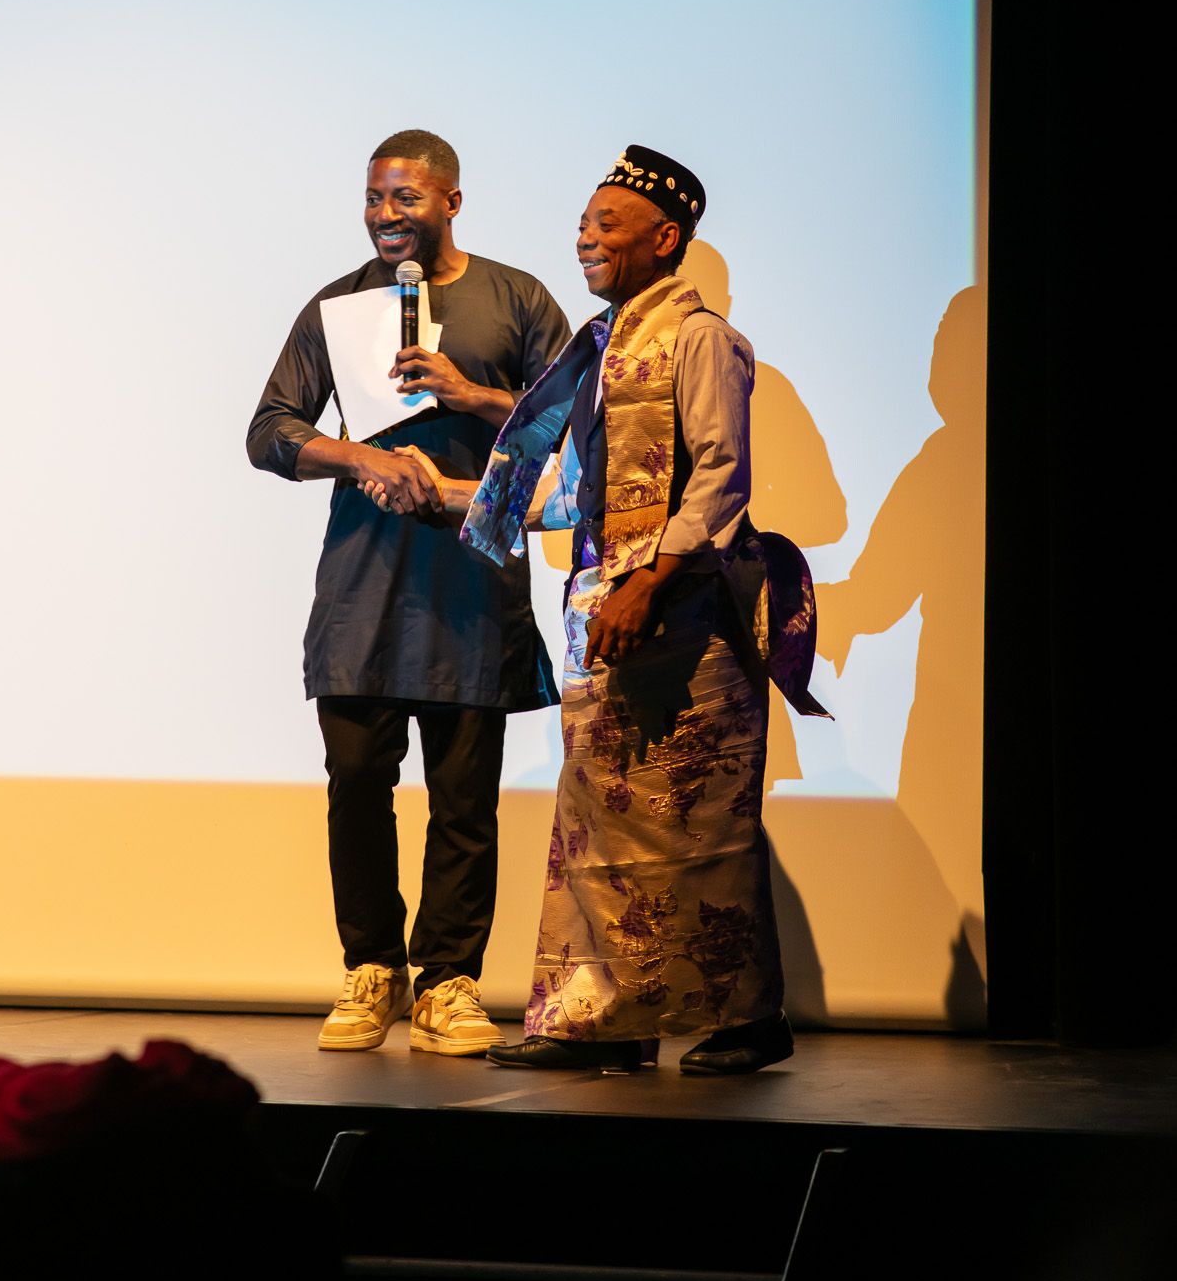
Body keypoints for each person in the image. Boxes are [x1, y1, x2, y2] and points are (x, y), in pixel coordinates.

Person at [378, 146, 824, 1075]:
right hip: (606, 610)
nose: (585, 237)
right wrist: (449, 494)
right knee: (602, 832)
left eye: (606, 223)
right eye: (583, 222)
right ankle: (606, 1023)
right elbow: (580, 495)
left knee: (696, 830)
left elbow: (720, 479)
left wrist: (646, 584)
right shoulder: (604, 345)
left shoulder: (700, 339)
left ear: (665, 239)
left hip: (684, 618)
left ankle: (748, 1019)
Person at [247, 129, 569, 1057]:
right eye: (374, 198)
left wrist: (472, 395)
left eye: (406, 198)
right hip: (364, 587)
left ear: (450, 202)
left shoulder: (515, 299)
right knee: (356, 784)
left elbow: (573, 423)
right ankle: (373, 969)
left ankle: (449, 981)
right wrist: (360, 458)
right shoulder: (338, 306)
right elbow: (268, 431)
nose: (385, 215)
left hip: (472, 585)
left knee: (463, 800)